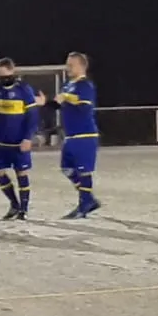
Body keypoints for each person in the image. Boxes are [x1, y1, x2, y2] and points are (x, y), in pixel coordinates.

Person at [0, 58, 40, 220]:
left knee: (21, 173)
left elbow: (32, 116)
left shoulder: (24, 89)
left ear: (12, 72)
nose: (2, 79)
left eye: (5, 75)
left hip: (19, 141)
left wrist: (27, 138)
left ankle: (24, 210)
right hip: (1, 141)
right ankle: (14, 204)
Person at [57, 51, 101, 218]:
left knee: (84, 171)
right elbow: (61, 105)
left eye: (71, 65)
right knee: (66, 169)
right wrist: (45, 103)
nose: (67, 67)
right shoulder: (67, 85)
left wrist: (67, 97)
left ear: (82, 66)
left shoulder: (85, 85)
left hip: (85, 135)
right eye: (67, 64)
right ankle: (89, 199)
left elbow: (84, 107)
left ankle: (83, 206)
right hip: (70, 136)